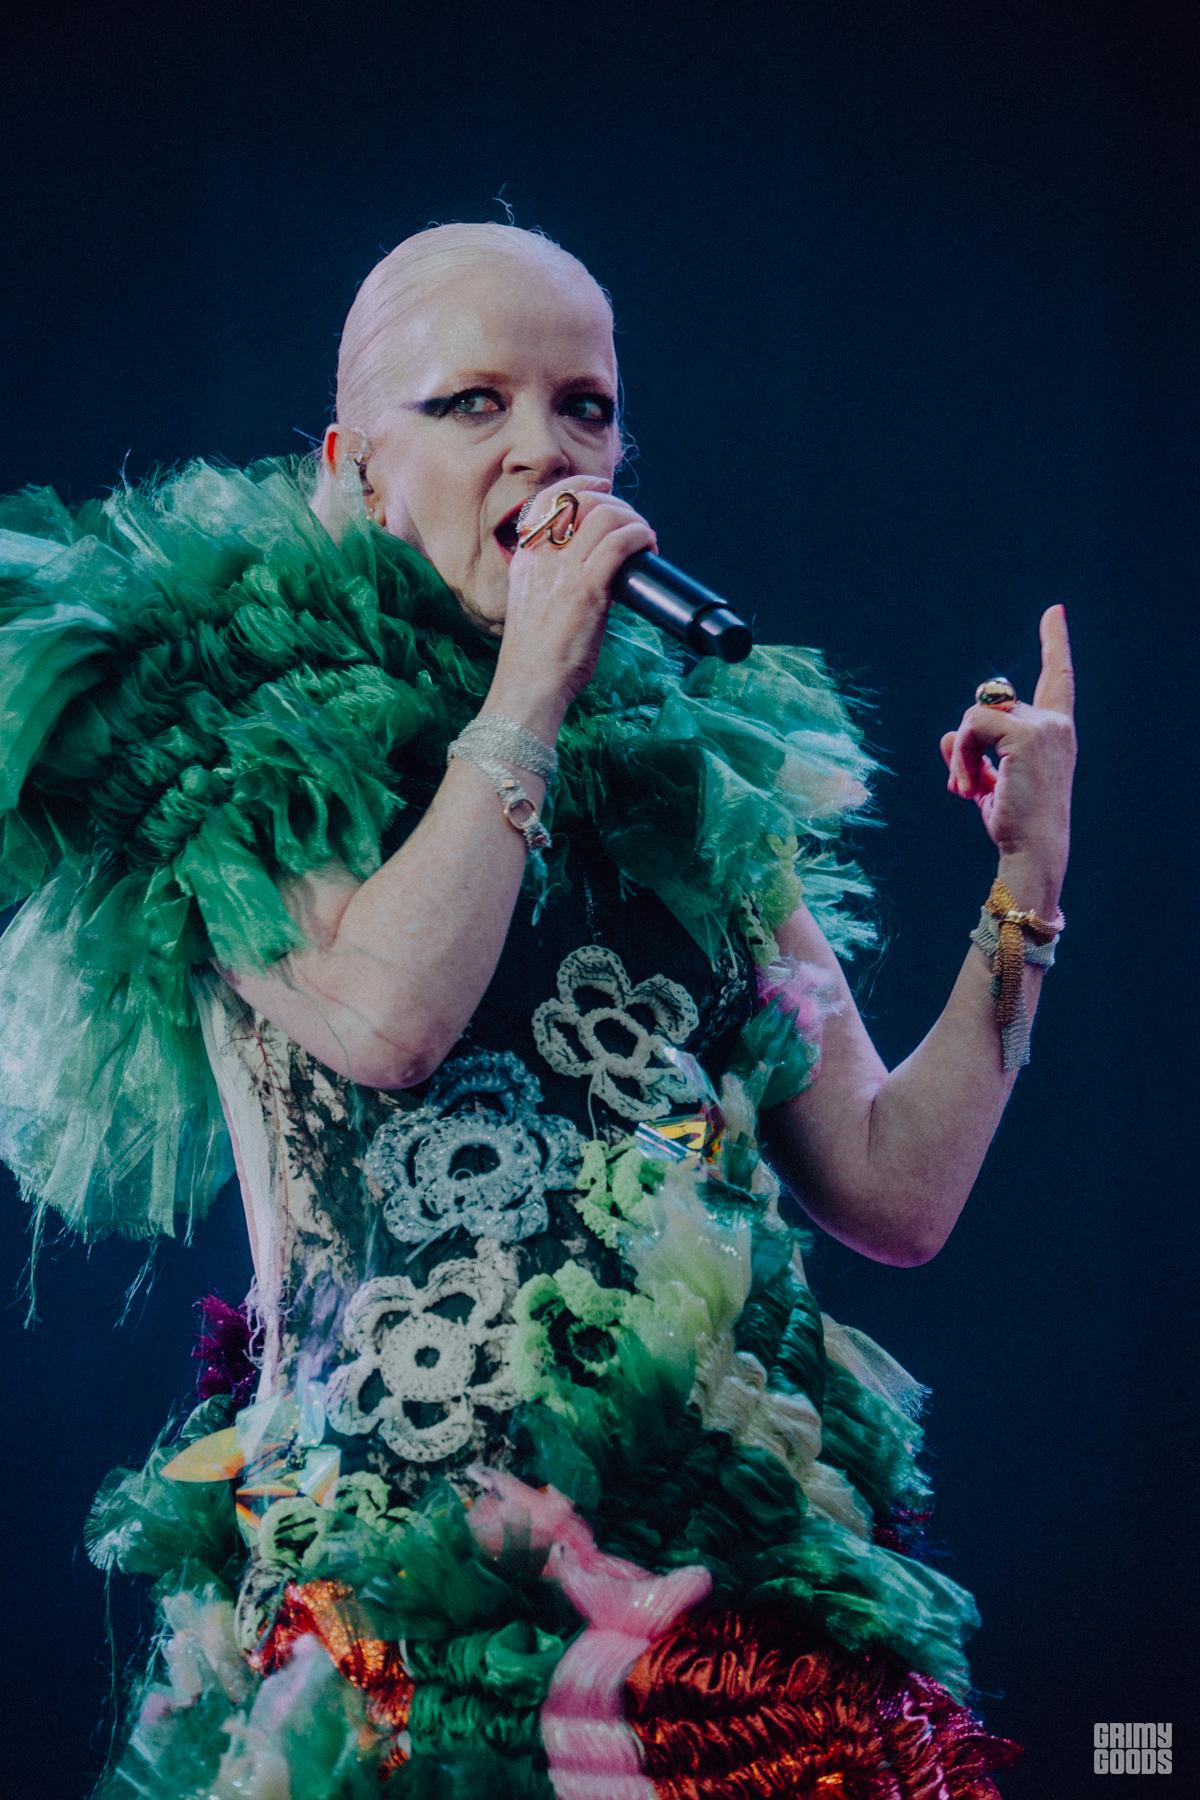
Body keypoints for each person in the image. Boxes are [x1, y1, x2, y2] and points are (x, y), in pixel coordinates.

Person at [0, 221, 1075, 1797]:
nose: (542, 449)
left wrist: (1026, 887)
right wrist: (529, 697)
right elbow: (387, 1022)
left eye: (584, 407)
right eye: (472, 404)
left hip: (719, 1591)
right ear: (355, 468)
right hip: (400, 1580)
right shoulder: (235, 723)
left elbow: (890, 1185)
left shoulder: (696, 779)